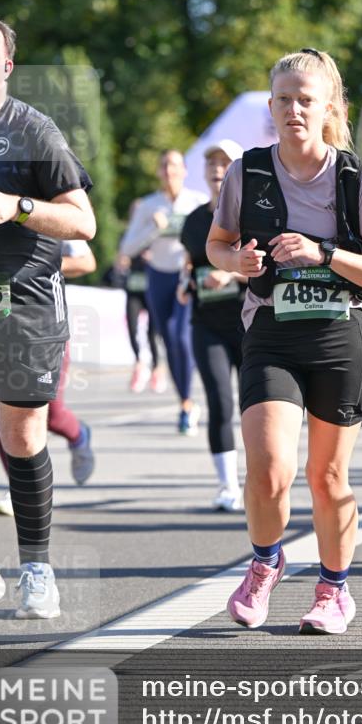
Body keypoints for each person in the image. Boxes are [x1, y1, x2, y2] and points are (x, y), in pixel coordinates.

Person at [207, 48, 362, 634]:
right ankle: (265, 563)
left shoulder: (352, 177)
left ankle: (334, 590)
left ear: (329, 109)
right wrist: (236, 261)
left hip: (340, 334)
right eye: (284, 100)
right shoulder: (247, 172)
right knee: (268, 468)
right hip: (272, 331)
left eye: (306, 100)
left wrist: (323, 253)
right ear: (271, 107)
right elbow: (217, 243)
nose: (294, 110)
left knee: (328, 478)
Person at [0, 15, 95, 624]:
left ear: (6, 65)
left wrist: (18, 207)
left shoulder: (34, 131)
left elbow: (83, 222)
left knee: (22, 439)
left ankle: (36, 566)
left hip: (25, 302)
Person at [0, 239, 97, 516]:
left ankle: (79, 435)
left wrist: (30, 266)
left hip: (42, 324)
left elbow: (87, 262)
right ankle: (19, 488)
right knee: (1, 412)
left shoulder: (47, 213)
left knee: (51, 415)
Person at [179, 140, 246, 511]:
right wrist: (184, 282)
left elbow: (269, 269)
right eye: (211, 163)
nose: (217, 169)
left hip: (248, 322)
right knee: (220, 401)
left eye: (224, 162)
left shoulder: (253, 214)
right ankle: (228, 486)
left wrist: (231, 274)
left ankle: (262, 480)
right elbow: (190, 262)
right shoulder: (193, 221)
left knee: (255, 407)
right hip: (206, 324)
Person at [119, 151, 207, 432]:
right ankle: (185, 403)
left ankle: (188, 400)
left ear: (185, 171)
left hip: (186, 275)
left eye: (175, 165)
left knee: (181, 336)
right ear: (159, 171)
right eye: (165, 165)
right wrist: (152, 230)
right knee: (168, 340)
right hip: (158, 277)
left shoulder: (197, 202)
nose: (170, 171)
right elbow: (127, 248)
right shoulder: (148, 206)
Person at [114, 201, 164, 394]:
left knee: (152, 332)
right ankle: (139, 365)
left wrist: (153, 257)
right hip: (133, 287)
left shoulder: (156, 234)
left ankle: (157, 368)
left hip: (152, 286)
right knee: (132, 327)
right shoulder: (128, 236)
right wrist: (123, 261)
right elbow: (120, 259)